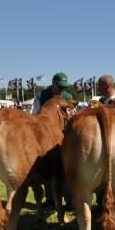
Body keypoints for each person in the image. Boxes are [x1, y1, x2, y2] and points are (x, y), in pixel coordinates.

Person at [36, 72, 74, 208]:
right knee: (46, 163)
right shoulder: (41, 96)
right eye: (59, 86)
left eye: (64, 87)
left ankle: (70, 200)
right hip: (44, 135)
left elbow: (71, 115)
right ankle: (50, 199)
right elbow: (34, 115)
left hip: (62, 135)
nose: (62, 90)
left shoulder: (68, 96)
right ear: (53, 83)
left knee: (65, 167)